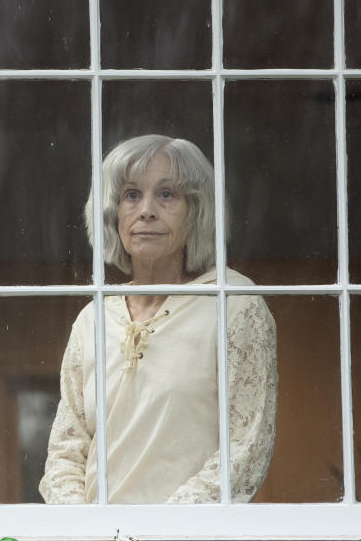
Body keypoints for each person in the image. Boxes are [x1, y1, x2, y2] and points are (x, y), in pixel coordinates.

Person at [39, 134, 278, 504]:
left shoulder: (232, 303)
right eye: (132, 195)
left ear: (196, 211)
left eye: (166, 195)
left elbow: (246, 447)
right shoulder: (93, 319)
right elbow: (65, 453)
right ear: (113, 213)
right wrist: (86, 540)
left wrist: (158, 540)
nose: (146, 210)